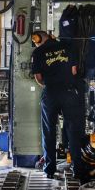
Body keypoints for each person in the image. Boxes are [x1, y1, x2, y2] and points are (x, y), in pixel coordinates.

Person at [31, 31, 86, 180]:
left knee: (49, 131)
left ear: (40, 39)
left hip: (50, 93)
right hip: (69, 91)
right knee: (73, 130)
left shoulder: (38, 52)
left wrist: (51, 84)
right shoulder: (67, 46)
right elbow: (74, 71)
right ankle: (78, 169)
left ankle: (49, 169)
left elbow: (39, 78)